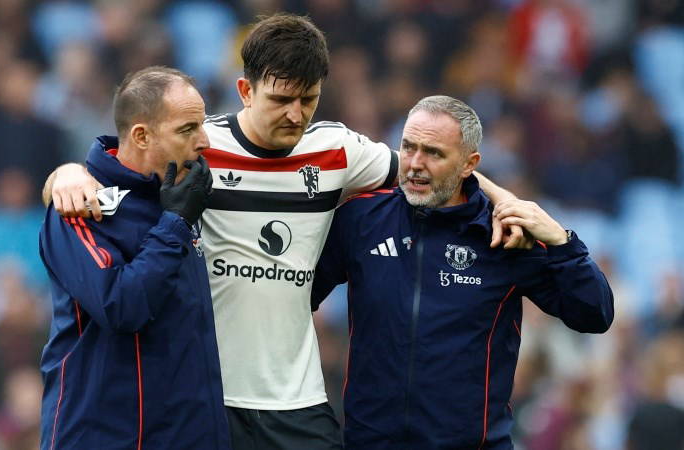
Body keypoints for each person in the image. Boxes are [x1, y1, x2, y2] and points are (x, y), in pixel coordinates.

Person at [43, 14, 527, 449]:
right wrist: (65, 175)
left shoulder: (338, 151)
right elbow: (128, 161)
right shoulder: (199, 147)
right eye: (280, 99)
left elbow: (431, 172)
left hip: (298, 400)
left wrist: (510, 202)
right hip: (209, 397)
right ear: (245, 90)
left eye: (308, 99)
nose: (295, 114)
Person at [311, 95, 615, 449]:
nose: (415, 164)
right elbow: (296, 298)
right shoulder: (363, 218)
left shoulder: (504, 234)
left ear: (469, 164)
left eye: (434, 153)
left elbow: (595, 313)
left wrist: (562, 242)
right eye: (408, 147)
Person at [38, 66, 228, 449]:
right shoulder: (80, 206)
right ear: (141, 135)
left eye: (202, 124)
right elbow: (121, 306)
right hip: (103, 437)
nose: (205, 141)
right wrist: (175, 224)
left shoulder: (187, 190)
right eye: (187, 129)